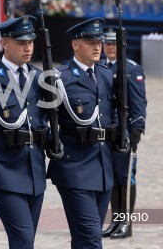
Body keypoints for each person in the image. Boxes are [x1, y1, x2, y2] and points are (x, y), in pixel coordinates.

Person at [47, 17, 124, 249]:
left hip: (102, 167)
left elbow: (116, 111)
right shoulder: (60, 78)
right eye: (90, 42)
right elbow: (44, 119)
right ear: (75, 45)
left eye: (98, 42)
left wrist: (123, 133)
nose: (97, 46)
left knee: (84, 237)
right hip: (74, 167)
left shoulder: (106, 75)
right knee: (91, 236)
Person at [0, 16, 49, 248]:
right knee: (23, 237)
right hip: (3, 168)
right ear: (5, 43)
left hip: (34, 167)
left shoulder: (40, 78)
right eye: (21, 42)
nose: (27, 47)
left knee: (26, 239)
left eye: (30, 42)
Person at [100, 25, 146, 239]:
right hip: (107, 132)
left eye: (114, 43)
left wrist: (136, 129)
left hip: (124, 132)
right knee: (112, 178)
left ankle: (127, 222)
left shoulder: (131, 68)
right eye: (107, 43)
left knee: (126, 177)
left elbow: (138, 103)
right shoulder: (100, 67)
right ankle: (115, 221)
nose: (110, 47)